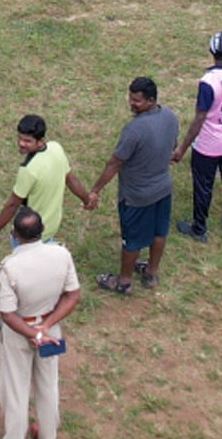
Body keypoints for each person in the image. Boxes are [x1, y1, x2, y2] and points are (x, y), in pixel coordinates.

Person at [0, 205, 80, 439]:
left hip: (20, 331)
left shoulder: (11, 267)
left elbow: (8, 313)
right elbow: (72, 295)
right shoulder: (61, 255)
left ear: (14, 234)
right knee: (48, 384)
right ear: (42, 230)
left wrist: (34, 332)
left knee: (16, 389)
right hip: (50, 327)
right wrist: (46, 327)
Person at [77, 77, 180, 294]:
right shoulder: (170, 117)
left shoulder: (135, 129)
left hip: (137, 196)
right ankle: (151, 273)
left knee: (132, 239)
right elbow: (173, 147)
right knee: (159, 232)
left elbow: (115, 163)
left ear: (151, 101)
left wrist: (95, 190)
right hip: (163, 189)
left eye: (137, 101)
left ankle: (124, 282)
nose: (131, 104)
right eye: (130, 99)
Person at [174, 33, 222, 239]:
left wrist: (182, 147)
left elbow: (200, 117)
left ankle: (199, 228)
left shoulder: (209, 81)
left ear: (211, 52)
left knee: (203, 186)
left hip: (209, 144)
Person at [0, 114, 72, 244]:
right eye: (20, 138)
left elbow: (13, 205)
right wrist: (87, 199)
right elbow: (70, 178)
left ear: (41, 141)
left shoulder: (28, 170)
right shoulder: (56, 148)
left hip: (29, 234)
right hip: (51, 227)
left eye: (27, 141)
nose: (21, 144)